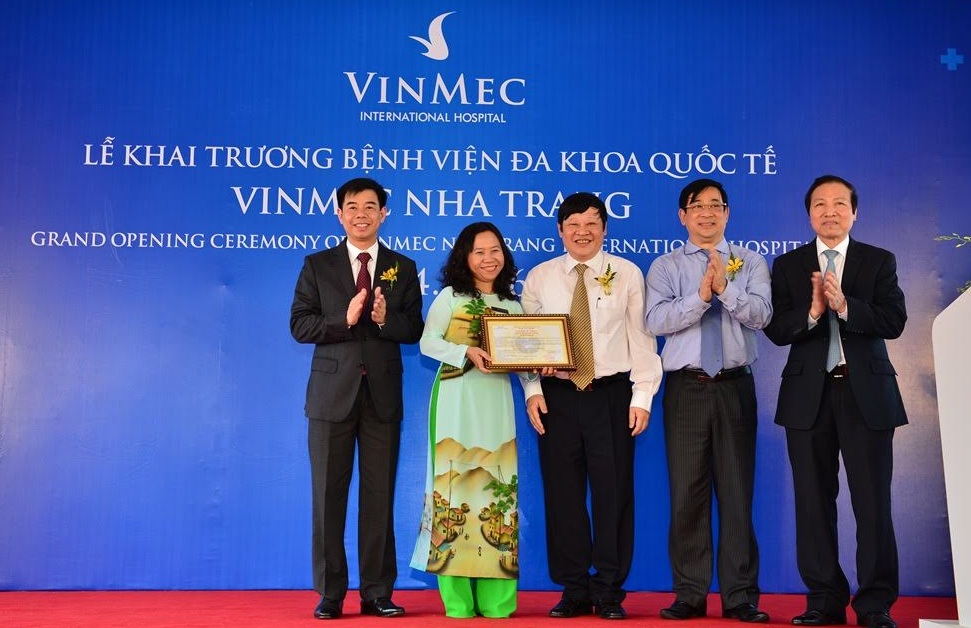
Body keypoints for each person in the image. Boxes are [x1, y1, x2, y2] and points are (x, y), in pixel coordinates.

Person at [764, 175, 907, 628]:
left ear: (854, 212)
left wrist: (845, 307)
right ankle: (824, 600)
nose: (830, 211)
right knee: (812, 502)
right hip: (808, 397)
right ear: (809, 214)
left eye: (839, 204)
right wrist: (812, 313)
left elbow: (894, 321)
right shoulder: (788, 265)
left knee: (872, 503)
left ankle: (875, 603)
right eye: (820, 204)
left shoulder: (878, 261)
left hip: (867, 396)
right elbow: (776, 329)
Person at [521, 192, 663, 620]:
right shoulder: (540, 277)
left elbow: (642, 339)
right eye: (573, 225)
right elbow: (525, 343)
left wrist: (642, 397)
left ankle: (609, 589)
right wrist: (533, 390)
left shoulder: (627, 273)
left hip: (612, 395)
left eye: (591, 225)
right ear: (560, 230)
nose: (582, 233)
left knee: (613, 494)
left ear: (604, 229)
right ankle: (574, 588)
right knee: (562, 494)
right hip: (558, 397)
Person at [290, 177, 424, 620]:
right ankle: (330, 593)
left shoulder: (403, 267)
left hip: (382, 397)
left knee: (378, 496)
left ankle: (377, 591)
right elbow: (299, 325)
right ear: (339, 214)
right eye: (352, 207)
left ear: (384, 214)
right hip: (331, 397)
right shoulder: (317, 265)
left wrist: (386, 320)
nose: (361, 214)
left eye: (370, 206)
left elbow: (415, 328)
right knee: (328, 496)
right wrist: (342, 321)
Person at [645, 179, 772, 623]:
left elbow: (762, 315)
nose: (707, 213)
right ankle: (689, 594)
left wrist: (725, 289)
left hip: (735, 386)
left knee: (737, 492)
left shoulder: (750, 262)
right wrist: (701, 297)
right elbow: (656, 321)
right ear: (683, 216)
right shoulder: (665, 266)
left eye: (716, 205)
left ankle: (740, 596)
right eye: (697, 206)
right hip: (687, 388)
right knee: (687, 494)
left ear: (727, 213)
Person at [409, 221, 523, 618]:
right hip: (455, 399)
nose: (489, 258)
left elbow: (525, 360)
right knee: (453, 488)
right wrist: (466, 353)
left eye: (495, 250)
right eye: (479, 252)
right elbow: (428, 342)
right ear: (465, 257)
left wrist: (537, 376)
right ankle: (457, 600)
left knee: (499, 488)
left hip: (497, 403)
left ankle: (497, 600)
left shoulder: (513, 305)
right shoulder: (451, 297)